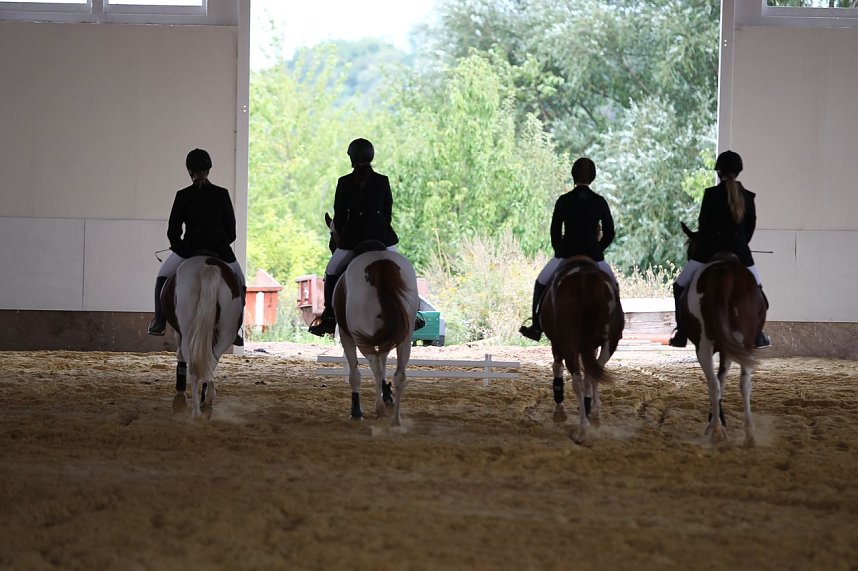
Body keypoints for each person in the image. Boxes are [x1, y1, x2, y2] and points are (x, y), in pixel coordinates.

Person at [668, 150, 771, 349]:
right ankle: (757, 334)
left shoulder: (711, 194)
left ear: (718, 171)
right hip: (740, 254)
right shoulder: (748, 196)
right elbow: (749, 229)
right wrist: (739, 246)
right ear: (739, 171)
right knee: (759, 292)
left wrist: (709, 243)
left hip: (708, 252)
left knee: (679, 286)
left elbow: (704, 226)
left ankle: (681, 332)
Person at [148, 148, 246, 344]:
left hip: (189, 251)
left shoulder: (183, 195)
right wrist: (219, 246)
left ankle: (159, 321)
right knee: (240, 283)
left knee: (162, 276)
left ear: (189, 170)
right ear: (209, 169)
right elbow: (232, 231)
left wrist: (182, 249)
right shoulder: (222, 194)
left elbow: (173, 230)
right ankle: (235, 329)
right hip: (220, 251)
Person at [308, 138, 400, 337]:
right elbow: (388, 213)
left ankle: (329, 317)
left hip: (353, 239)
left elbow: (339, 216)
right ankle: (413, 312)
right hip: (382, 238)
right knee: (402, 269)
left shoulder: (344, 182)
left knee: (331, 271)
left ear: (352, 158)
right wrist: (378, 228)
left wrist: (342, 232)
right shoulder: (382, 180)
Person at [519, 157, 618, 342]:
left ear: (573, 175)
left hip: (566, 253)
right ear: (593, 177)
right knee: (613, 285)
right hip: (593, 255)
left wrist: (561, 251)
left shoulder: (564, 200)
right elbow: (610, 232)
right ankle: (615, 326)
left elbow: (554, 231)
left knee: (540, 283)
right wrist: (597, 249)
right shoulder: (599, 201)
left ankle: (536, 327)